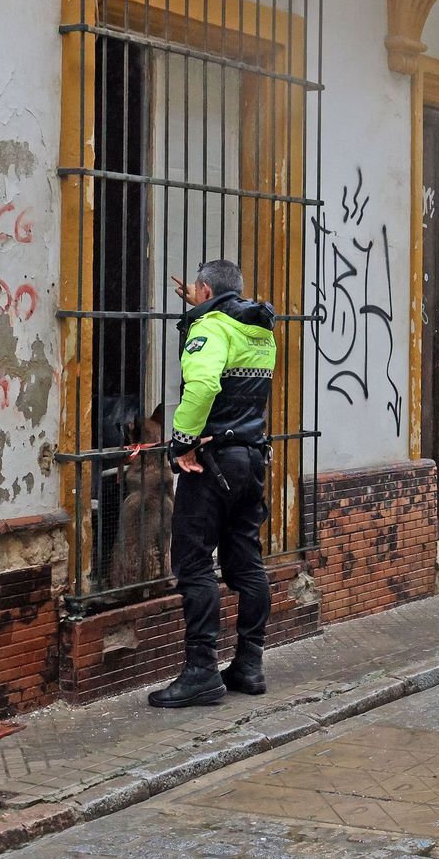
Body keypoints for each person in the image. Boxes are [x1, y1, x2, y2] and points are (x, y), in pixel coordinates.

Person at [148, 260, 278, 709]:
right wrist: (205, 308)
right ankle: (249, 665)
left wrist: (181, 445)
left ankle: (202, 672)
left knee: (194, 564)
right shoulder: (259, 330)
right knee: (246, 563)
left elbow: (201, 387)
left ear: (203, 288)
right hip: (251, 457)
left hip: (211, 462)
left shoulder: (213, 329)